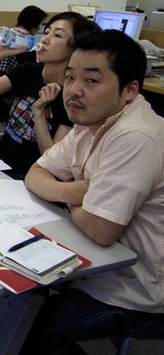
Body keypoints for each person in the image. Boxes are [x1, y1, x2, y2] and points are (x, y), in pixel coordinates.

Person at [21, 29, 164, 353]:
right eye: (71, 77)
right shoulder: (92, 120)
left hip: (133, 289)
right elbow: (35, 174)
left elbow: (101, 230)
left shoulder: (135, 136)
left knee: (23, 331)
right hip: (88, 260)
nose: (74, 90)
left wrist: (68, 195)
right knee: (20, 300)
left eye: (91, 80)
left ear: (130, 90)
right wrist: (79, 192)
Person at [0, 11, 99, 179]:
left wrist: (38, 112)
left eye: (57, 35)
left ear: (75, 50)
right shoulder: (27, 71)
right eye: (46, 32)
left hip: (27, 177)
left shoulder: (71, 96)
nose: (45, 39)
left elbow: (52, 160)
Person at [0, 5, 47, 79]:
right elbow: (30, 75)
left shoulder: (9, 36)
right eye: (41, 24)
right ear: (35, 24)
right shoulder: (27, 46)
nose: (40, 28)